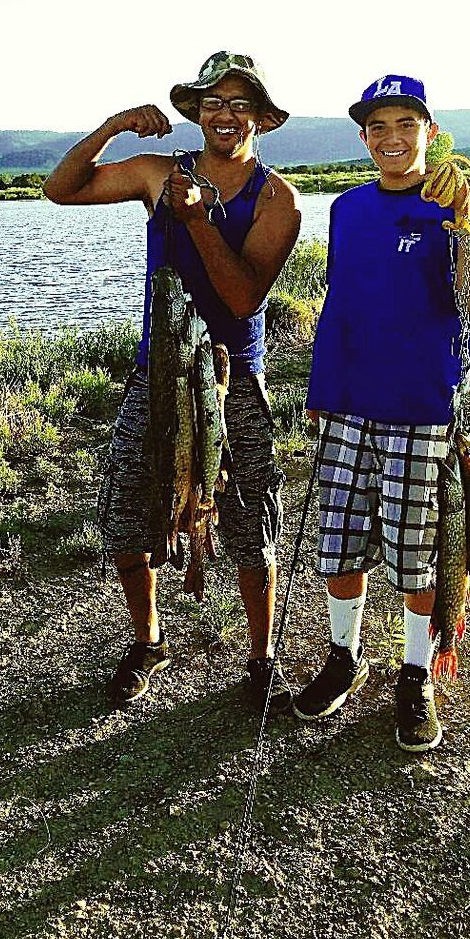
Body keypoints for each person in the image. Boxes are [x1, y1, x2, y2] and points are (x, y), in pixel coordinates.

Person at [44, 51, 301, 709]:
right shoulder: (159, 175)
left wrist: (198, 222)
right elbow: (62, 188)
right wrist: (110, 127)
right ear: (196, 111)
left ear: (261, 119)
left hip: (232, 383)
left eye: (241, 104)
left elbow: (244, 299)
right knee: (127, 517)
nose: (226, 114)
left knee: (249, 527)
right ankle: (148, 638)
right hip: (154, 377)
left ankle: (262, 656)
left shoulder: (278, 199)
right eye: (214, 102)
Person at [292, 72, 470, 750]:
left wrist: (466, 223)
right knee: (340, 545)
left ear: (431, 132)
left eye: (405, 125)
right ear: (363, 137)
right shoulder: (347, 209)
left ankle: (416, 674)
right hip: (347, 407)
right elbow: (343, 306)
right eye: (378, 127)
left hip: (425, 410)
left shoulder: (465, 206)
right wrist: (319, 395)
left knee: (420, 555)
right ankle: (344, 657)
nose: (391, 138)